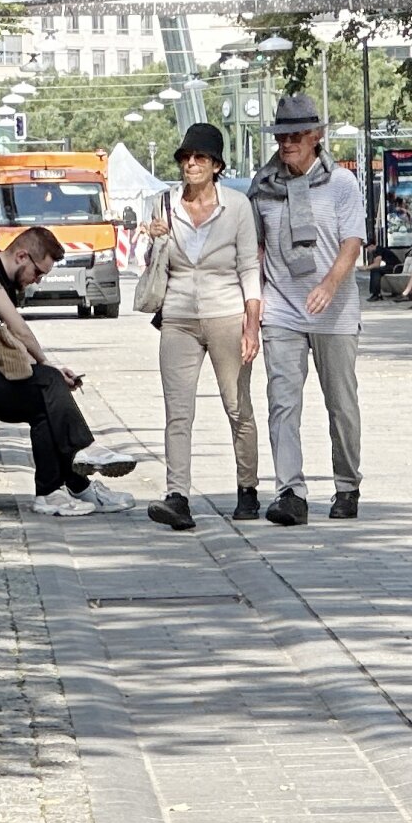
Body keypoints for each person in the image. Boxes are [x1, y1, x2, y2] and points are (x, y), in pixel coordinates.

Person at [0, 221, 137, 513]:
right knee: (48, 381)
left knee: (43, 407)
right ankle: (84, 451)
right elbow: (19, 329)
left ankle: (58, 491)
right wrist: (46, 364)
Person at [140, 122, 262, 531]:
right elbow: (153, 266)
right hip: (177, 317)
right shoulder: (163, 204)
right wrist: (153, 239)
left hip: (227, 314)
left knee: (236, 405)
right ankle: (178, 496)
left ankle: (248, 487)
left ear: (216, 165)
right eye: (186, 158)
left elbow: (249, 266)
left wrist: (252, 325)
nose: (191, 164)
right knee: (178, 411)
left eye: (200, 158)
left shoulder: (237, 207)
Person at [250, 95, 366, 524]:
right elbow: (255, 250)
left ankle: (347, 485)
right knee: (282, 401)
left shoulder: (341, 184)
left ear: (317, 137)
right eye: (281, 135)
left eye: (296, 135)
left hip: (334, 310)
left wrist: (329, 285)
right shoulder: (262, 186)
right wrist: (252, 310)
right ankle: (290, 493)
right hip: (281, 308)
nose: (286, 143)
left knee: (341, 403)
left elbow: (352, 242)